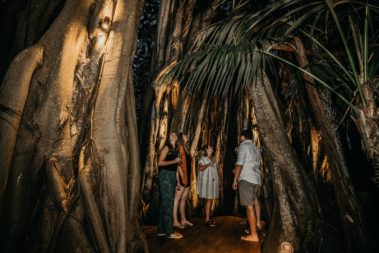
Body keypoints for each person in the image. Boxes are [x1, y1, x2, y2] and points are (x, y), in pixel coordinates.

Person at [233, 129, 262, 242]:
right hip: (256, 179)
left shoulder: (243, 146)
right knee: (253, 203)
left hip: (246, 179)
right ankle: (254, 228)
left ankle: (254, 235)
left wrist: (235, 179)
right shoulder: (256, 148)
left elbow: (239, 163)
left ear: (242, 137)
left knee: (249, 207)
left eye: (240, 137)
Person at [157, 132, 183, 239]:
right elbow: (159, 163)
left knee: (165, 203)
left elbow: (176, 167)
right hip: (165, 175)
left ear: (177, 138)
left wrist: (178, 181)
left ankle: (161, 230)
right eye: (170, 134)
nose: (172, 135)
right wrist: (174, 160)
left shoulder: (175, 150)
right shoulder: (166, 148)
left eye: (174, 135)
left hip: (171, 176)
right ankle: (169, 232)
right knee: (168, 203)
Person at [172, 132, 194, 229]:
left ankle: (183, 219)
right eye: (185, 135)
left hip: (188, 177)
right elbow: (177, 164)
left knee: (184, 198)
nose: (187, 136)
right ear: (181, 137)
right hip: (181, 177)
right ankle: (175, 221)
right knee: (177, 198)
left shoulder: (186, 148)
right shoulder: (180, 147)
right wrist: (178, 180)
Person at [197, 145, 219, 227]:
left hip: (213, 182)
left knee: (211, 200)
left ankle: (209, 218)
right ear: (206, 149)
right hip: (207, 182)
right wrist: (209, 164)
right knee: (209, 200)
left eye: (212, 147)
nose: (212, 148)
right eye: (210, 147)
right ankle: (207, 220)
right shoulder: (203, 159)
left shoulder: (213, 158)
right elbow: (199, 168)